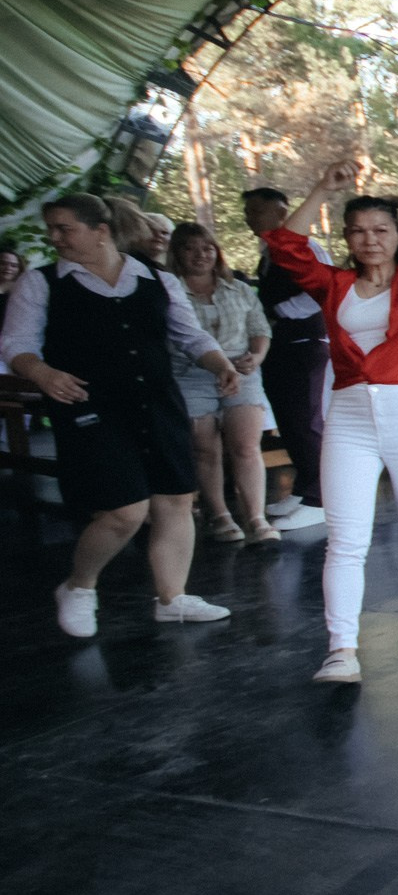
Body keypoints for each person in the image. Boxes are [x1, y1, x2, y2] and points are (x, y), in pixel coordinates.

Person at [0, 193, 238, 637]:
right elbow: (16, 344)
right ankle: (79, 586)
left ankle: (172, 598)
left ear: (101, 230)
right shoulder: (42, 282)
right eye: (51, 229)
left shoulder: (155, 277)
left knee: (175, 499)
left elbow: (189, 334)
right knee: (124, 509)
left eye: (63, 228)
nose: (54, 238)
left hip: (157, 401)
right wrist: (44, 373)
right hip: (89, 407)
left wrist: (221, 363)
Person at [262, 160, 398, 684]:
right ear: (346, 237)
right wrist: (324, 186)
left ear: (397, 235)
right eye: (359, 230)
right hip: (349, 418)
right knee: (346, 539)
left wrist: (383, 192)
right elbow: (284, 243)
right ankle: (341, 647)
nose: (369, 239)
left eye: (380, 229)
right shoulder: (334, 283)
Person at [168, 222, 278, 544]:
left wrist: (257, 357)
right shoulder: (169, 289)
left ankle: (256, 518)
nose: (201, 255)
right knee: (205, 449)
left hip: (242, 370)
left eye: (207, 247)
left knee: (245, 445)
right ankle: (220, 514)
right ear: (177, 253)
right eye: (190, 248)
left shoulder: (238, 288)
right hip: (191, 374)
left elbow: (260, 328)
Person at [243, 186, 328, 531]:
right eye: (248, 211)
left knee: (305, 419)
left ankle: (322, 498)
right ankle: (305, 485)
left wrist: (276, 313)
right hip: (281, 345)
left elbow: (320, 293)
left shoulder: (306, 247)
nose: (250, 217)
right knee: (288, 419)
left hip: (304, 341)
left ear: (282, 212)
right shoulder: (268, 251)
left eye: (258, 211)